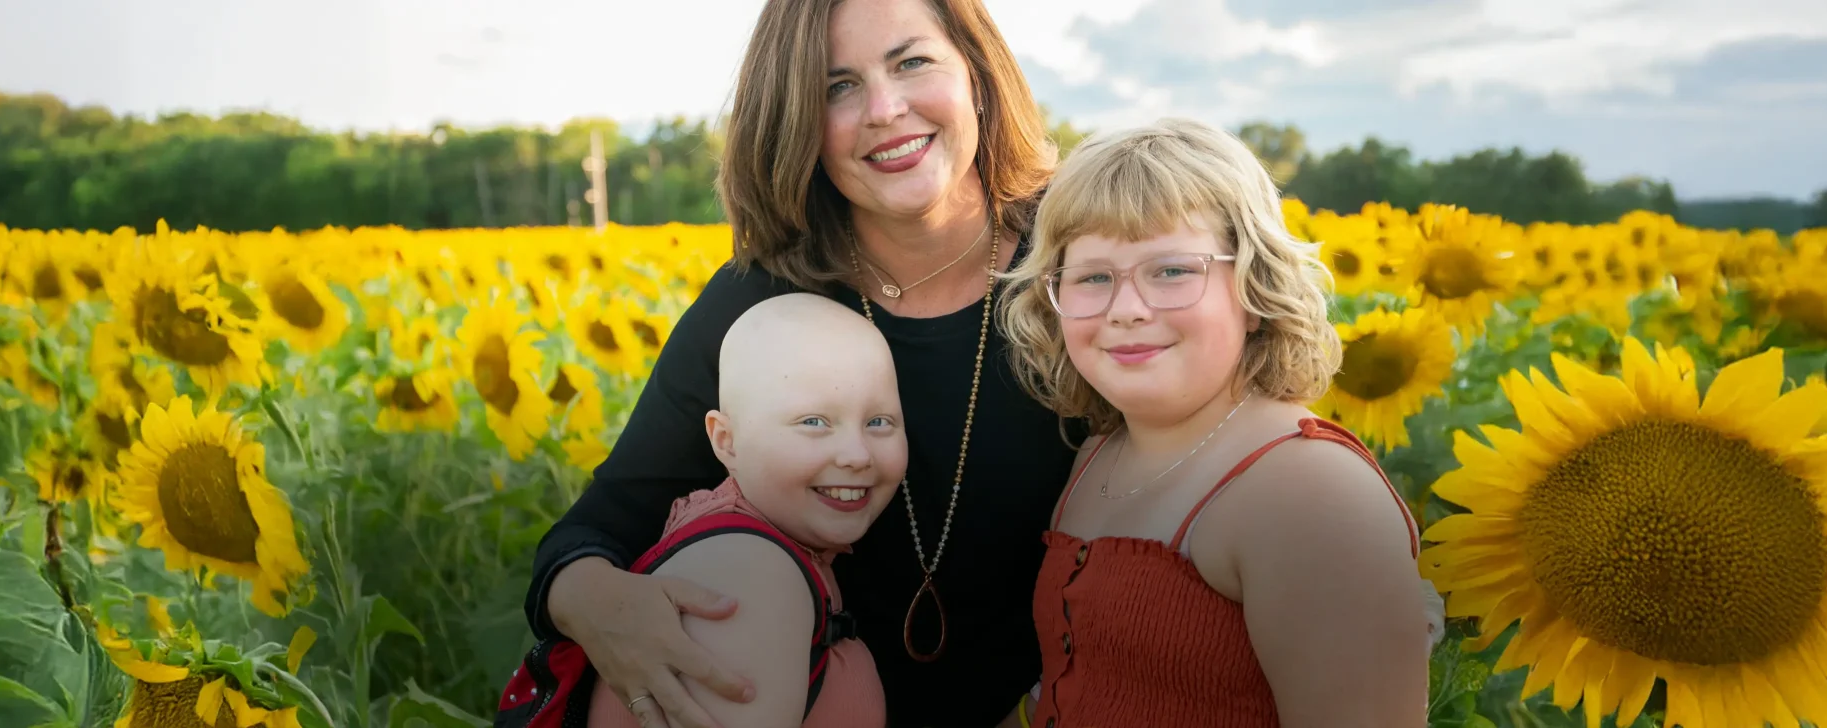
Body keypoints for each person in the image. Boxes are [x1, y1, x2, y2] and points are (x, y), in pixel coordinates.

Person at [523, 0, 1082, 726]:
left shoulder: (1083, 261)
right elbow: (587, 537)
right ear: (796, 122)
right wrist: (605, 611)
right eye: (834, 87)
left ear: (978, 74)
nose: (884, 108)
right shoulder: (762, 297)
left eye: (912, 62)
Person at [994, 118, 1437, 728]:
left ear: (1253, 288)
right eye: (1094, 277)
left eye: (1172, 271)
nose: (1126, 310)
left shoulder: (1310, 493)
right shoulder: (1099, 454)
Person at [578, 293, 904, 728]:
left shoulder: (766, 540)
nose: (856, 454)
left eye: (878, 422)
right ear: (726, 440)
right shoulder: (747, 575)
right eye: (814, 422)